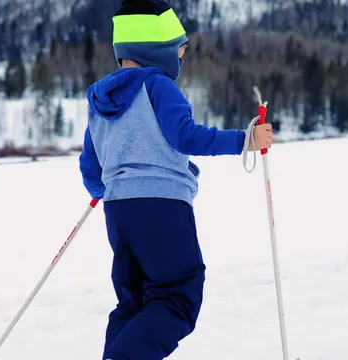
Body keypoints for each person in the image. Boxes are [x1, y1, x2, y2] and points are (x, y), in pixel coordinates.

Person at [77, 0, 274, 359]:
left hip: (118, 212)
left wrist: (103, 190)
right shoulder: (157, 85)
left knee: (134, 302)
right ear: (157, 48)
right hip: (161, 206)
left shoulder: (100, 100)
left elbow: (91, 167)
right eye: (179, 51)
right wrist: (244, 140)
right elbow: (185, 136)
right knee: (177, 295)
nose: (181, 60)